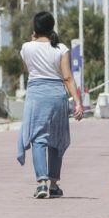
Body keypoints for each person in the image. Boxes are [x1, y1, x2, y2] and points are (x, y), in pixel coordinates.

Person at [17, 11, 84, 199]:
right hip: (56, 95)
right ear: (52, 26)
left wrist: (32, 41)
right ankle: (54, 184)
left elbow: (28, 69)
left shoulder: (26, 47)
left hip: (36, 95)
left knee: (38, 138)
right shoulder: (61, 48)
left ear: (35, 28)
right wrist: (78, 103)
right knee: (55, 138)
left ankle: (42, 184)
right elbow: (68, 77)